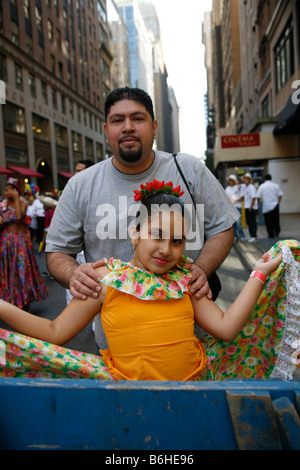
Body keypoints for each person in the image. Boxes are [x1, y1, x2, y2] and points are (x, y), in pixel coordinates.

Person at [0, 180, 299, 381]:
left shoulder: (186, 276)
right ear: (134, 233)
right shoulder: (106, 279)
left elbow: (227, 327)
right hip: (130, 403)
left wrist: (259, 273)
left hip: (195, 395)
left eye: (178, 241)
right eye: (156, 235)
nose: (166, 249)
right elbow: (54, 331)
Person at [45, 86, 240, 352]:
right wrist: (74, 276)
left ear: (155, 126)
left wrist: (201, 269)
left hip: (189, 342)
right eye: (117, 120)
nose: (128, 127)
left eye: (137, 118)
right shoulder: (81, 185)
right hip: (117, 350)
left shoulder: (189, 170)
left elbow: (222, 227)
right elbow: (57, 251)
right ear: (106, 130)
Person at [0, 178, 48, 312]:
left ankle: (25, 303)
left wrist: (16, 199)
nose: (7, 192)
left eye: (10, 189)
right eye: (5, 189)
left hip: (20, 242)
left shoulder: (23, 203)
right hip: (7, 242)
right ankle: (11, 302)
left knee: (22, 271)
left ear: (16, 191)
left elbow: (19, 217)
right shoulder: (1, 205)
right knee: (9, 272)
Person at [256, 174, 283, 238]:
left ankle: (271, 234)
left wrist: (258, 204)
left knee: (268, 221)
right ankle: (277, 232)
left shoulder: (262, 186)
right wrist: (278, 202)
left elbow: (258, 197)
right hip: (275, 205)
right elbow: (280, 195)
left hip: (266, 207)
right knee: (276, 220)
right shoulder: (276, 186)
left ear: (264, 179)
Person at [225, 174, 246, 241]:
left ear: (234, 181)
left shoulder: (238, 187)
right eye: (229, 180)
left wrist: (235, 200)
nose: (230, 182)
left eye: (231, 180)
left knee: (238, 222)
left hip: (237, 207)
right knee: (233, 223)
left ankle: (242, 236)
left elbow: (243, 197)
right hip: (230, 208)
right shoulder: (227, 188)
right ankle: (235, 236)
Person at [242, 173, 258, 242]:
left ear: (249, 180)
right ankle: (251, 235)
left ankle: (254, 235)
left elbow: (253, 198)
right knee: (249, 222)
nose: (245, 180)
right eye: (244, 179)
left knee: (252, 222)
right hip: (247, 206)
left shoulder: (251, 187)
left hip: (251, 207)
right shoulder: (246, 187)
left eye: (246, 179)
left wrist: (251, 207)